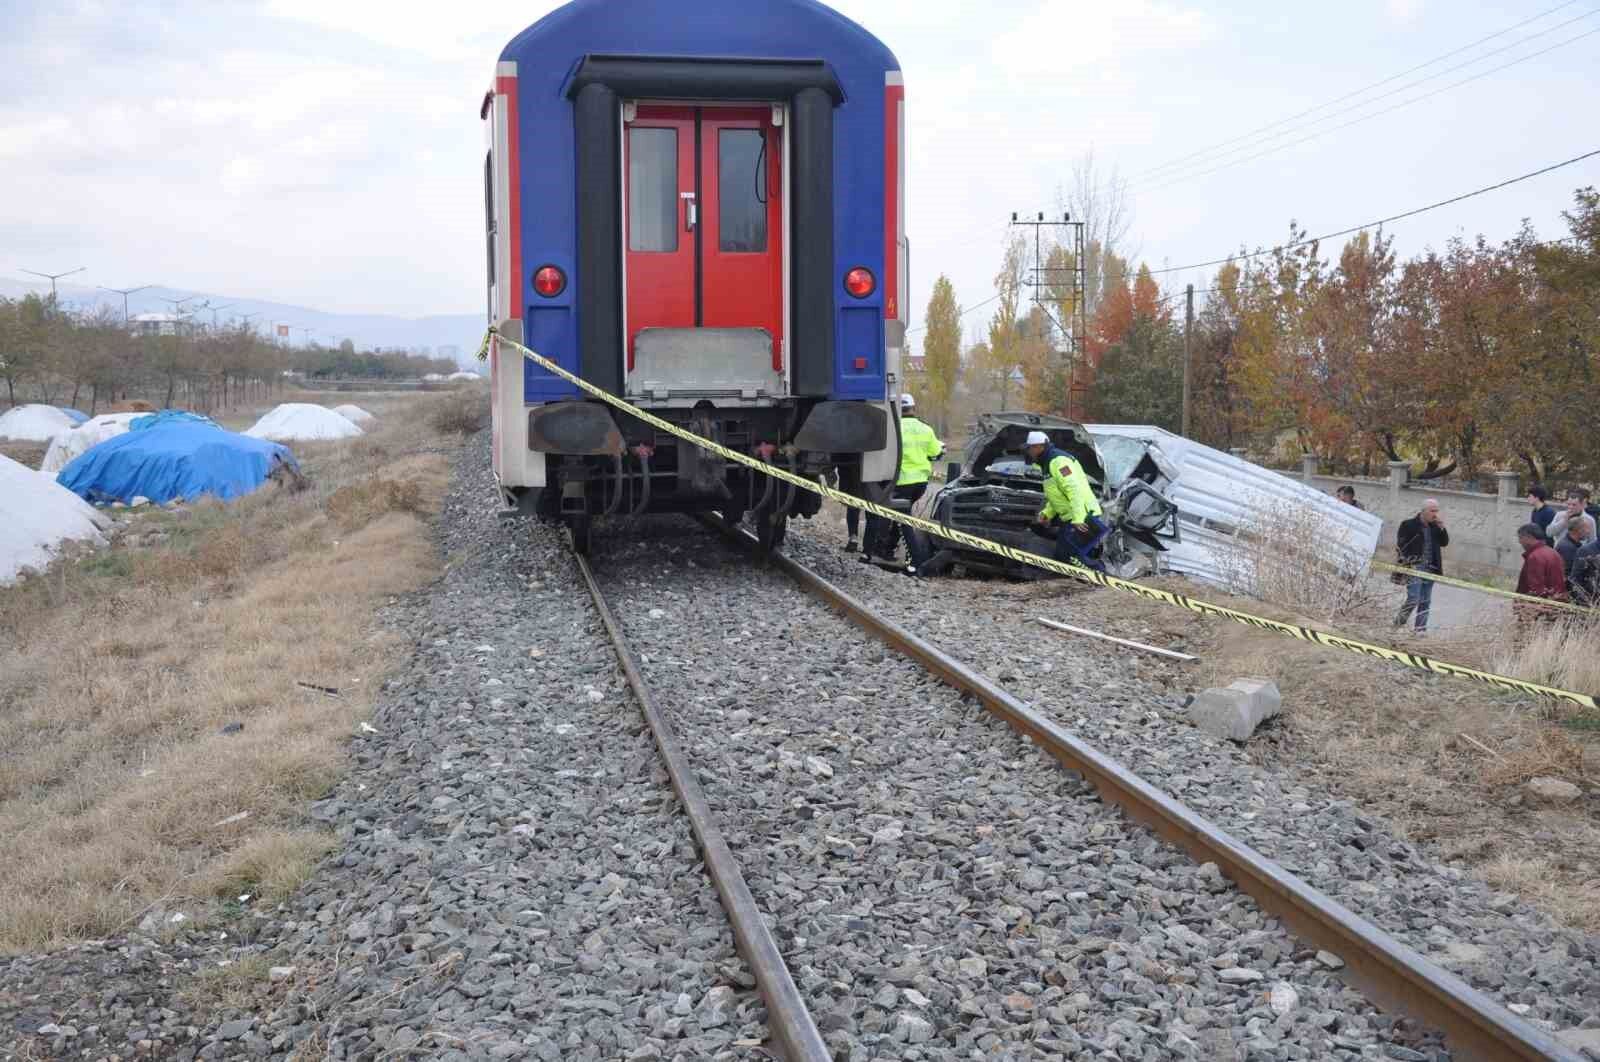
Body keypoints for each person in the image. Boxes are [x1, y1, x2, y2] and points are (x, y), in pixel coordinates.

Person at [861, 393, 942, 571]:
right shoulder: (925, 428)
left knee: (899, 520)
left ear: (898, 408)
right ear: (913, 408)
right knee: (900, 517)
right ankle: (885, 549)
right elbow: (937, 452)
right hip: (920, 483)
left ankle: (915, 562)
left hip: (901, 482)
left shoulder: (892, 428)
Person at [1022, 429, 1108, 572]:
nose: (1028, 452)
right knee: (1063, 556)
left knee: (1070, 556)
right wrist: (1047, 514)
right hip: (1071, 517)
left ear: (1038, 447)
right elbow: (1057, 496)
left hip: (1083, 515)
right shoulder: (1047, 463)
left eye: (1029, 448)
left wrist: (1079, 518)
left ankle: (1103, 578)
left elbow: (1074, 490)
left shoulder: (1059, 461)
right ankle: (1087, 584)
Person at [1393, 499, 1448, 632]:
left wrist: (1442, 528)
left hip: (1431, 568)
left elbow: (1444, 542)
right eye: (1432, 511)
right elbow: (1401, 545)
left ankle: (1420, 631)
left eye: (1436, 511)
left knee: (1425, 601)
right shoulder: (1408, 525)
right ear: (1423, 511)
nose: (1435, 514)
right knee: (1414, 598)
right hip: (1414, 567)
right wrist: (1408, 563)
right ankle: (1397, 624)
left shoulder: (1435, 527)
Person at [1514, 522, 1568, 629]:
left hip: (1536, 610)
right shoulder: (1553, 552)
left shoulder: (1534, 556)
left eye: (1520, 538)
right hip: (1555, 606)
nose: (1519, 542)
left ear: (1529, 537)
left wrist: (1526, 608)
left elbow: (1536, 589)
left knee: (1525, 641)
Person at [1555, 513, 1596, 586]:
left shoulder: (1572, 544)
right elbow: (1571, 573)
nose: (1588, 532)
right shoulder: (1567, 548)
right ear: (1578, 530)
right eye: (1587, 528)